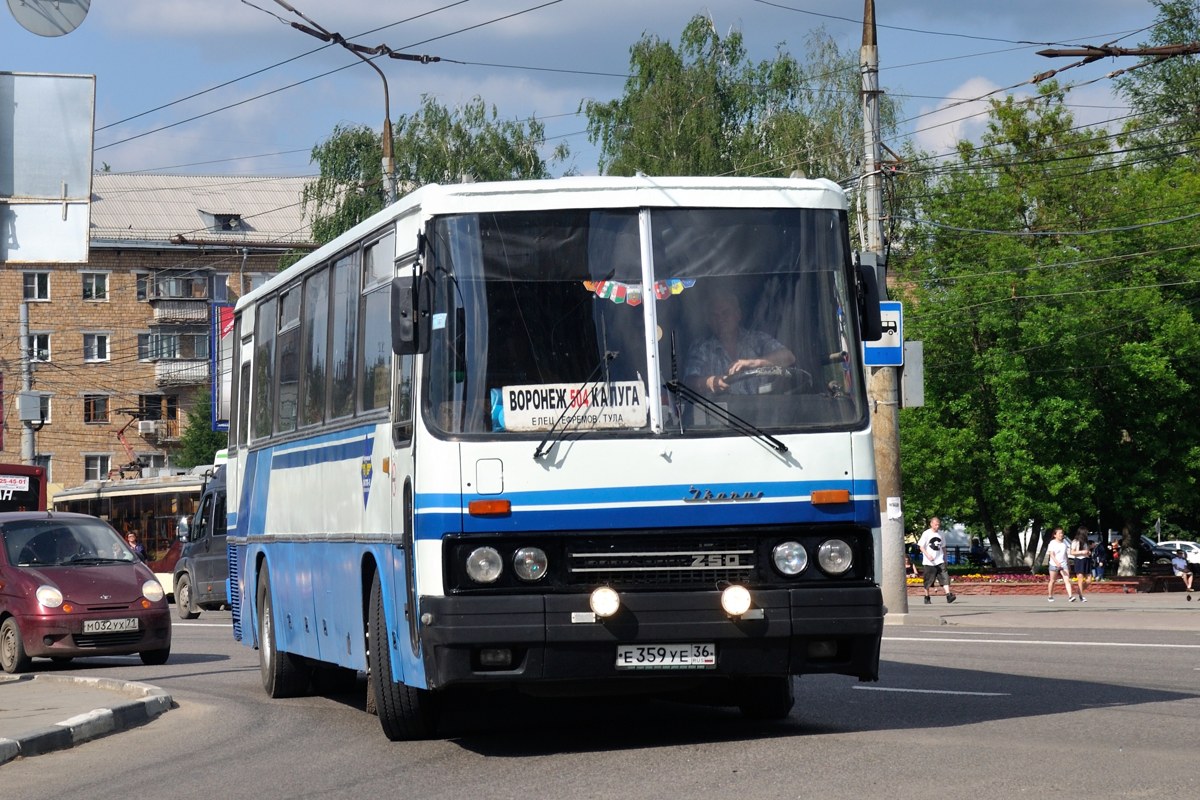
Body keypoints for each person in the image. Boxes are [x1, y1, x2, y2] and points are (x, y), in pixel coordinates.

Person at [684, 293, 796, 395]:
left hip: (763, 414)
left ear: (738, 315)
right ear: (708, 321)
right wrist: (710, 382)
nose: (721, 319)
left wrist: (754, 363)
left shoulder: (757, 339)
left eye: (725, 313)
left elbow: (788, 357)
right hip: (720, 415)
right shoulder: (701, 348)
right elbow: (689, 383)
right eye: (715, 316)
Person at [917, 517, 956, 604]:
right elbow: (921, 546)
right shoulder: (926, 533)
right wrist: (927, 555)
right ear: (931, 524)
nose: (937, 526)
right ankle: (927, 597)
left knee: (945, 577)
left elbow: (943, 547)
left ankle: (948, 595)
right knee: (928, 580)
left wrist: (945, 558)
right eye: (936, 524)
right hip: (929, 562)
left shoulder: (941, 534)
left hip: (939, 560)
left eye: (938, 525)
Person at [1046, 526, 1075, 602]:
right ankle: (1050, 596)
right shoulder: (1052, 543)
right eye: (1059, 533)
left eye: (1062, 533)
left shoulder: (1064, 543)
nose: (1061, 534)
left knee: (1067, 580)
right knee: (1052, 580)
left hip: (1063, 564)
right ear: (1055, 535)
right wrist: (1056, 562)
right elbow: (1051, 554)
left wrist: (1068, 564)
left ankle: (1070, 596)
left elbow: (1065, 554)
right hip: (1054, 564)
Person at [1068, 526, 1091, 602]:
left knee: (1089, 580)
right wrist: (1081, 552)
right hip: (1079, 560)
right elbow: (1072, 552)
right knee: (1080, 579)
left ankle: (1079, 590)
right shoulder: (1075, 541)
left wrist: (1088, 552)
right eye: (1086, 532)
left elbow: (1087, 550)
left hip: (1086, 559)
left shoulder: (1086, 541)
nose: (1087, 534)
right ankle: (1081, 595)